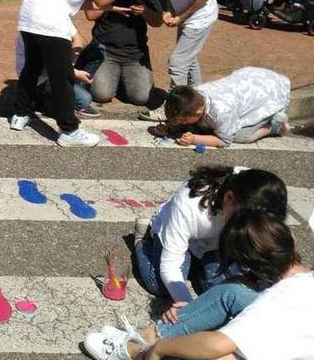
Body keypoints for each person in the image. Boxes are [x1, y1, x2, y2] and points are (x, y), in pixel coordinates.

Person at [85, 210, 309, 360]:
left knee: (218, 354)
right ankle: (151, 335)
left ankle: (136, 349)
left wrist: (159, 351)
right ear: (292, 239)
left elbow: (218, 345)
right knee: (232, 292)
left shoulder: (276, 302)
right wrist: (195, 310)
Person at [10, 0, 130, 147]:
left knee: (32, 68)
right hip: (52, 21)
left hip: (29, 14)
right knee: (60, 76)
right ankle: (69, 130)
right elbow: (101, 1)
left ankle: (20, 114)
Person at [132, 166, 287, 303]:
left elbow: (272, 242)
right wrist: (187, 307)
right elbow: (170, 265)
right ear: (228, 198)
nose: (249, 228)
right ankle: (143, 240)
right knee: (161, 286)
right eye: (243, 221)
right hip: (177, 234)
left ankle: (197, 269)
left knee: (218, 288)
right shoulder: (189, 205)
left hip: (215, 243)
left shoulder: (257, 194)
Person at [84, 0, 163, 107]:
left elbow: (157, 21)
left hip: (134, 55)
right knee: (101, 94)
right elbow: (90, 15)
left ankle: (123, 79)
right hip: (106, 52)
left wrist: (144, 11)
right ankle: (109, 76)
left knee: (141, 97)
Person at [156, 67, 291, 147]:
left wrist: (195, 140)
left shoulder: (220, 112)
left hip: (269, 94)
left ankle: (274, 126)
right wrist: (169, 127)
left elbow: (225, 141)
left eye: (182, 121)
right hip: (251, 81)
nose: (180, 124)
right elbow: (182, 116)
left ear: (198, 113)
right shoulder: (194, 97)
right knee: (199, 127)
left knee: (240, 136)